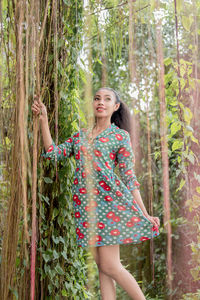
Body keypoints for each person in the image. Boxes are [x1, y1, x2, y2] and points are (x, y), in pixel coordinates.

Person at [32, 87, 160, 300]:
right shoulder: (80, 136)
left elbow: (129, 177)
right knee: (103, 267)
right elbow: (53, 154)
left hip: (109, 206)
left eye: (107, 99)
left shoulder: (120, 136)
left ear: (115, 106)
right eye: (97, 98)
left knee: (111, 266)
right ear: (93, 103)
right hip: (85, 208)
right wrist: (43, 121)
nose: (101, 102)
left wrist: (144, 213)